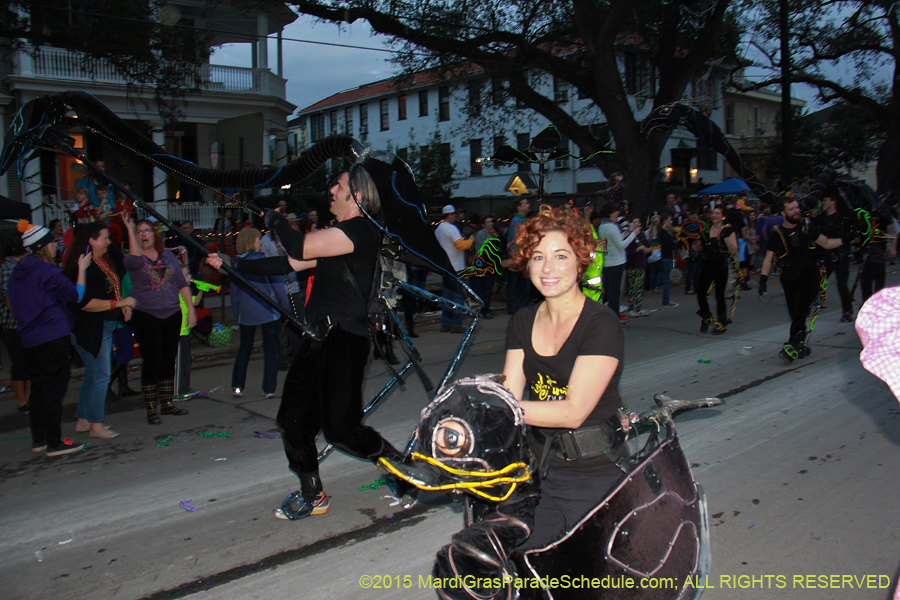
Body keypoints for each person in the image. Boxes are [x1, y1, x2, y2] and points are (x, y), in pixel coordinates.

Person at [207, 167, 404, 520]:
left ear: (356, 196)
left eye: (339, 185)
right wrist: (232, 264)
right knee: (292, 420)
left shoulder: (361, 230)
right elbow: (288, 261)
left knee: (342, 431)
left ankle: (402, 468)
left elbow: (297, 245)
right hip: (316, 338)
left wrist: (276, 220)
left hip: (346, 338)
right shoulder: (335, 236)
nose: (331, 189)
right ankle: (313, 494)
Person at [501, 205, 625, 550]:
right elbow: (509, 392)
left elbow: (573, 411)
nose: (548, 268)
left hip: (594, 473)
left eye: (560, 255)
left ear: (580, 260)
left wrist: (489, 408)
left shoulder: (601, 323)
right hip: (539, 468)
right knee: (510, 561)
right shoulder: (522, 321)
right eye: (538, 257)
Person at [8, 221, 90, 456]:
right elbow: (76, 295)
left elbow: (15, 305)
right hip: (52, 335)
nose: (56, 245)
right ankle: (54, 442)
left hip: (29, 337)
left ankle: (40, 439)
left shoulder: (17, 273)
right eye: (53, 242)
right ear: (43, 246)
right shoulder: (46, 271)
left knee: (39, 390)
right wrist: (82, 268)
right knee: (54, 390)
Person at [63, 222, 138, 440]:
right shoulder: (81, 266)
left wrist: (121, 305)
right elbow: (84, 303)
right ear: (91, 240)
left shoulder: (103, 259)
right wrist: (119, 303)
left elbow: (116, 284)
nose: (108, 242)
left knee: (93, 375)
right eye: (104, 238)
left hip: (104, 323)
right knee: (101, 376)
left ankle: (84, 419)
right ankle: (96, 424)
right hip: (89, 328)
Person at [123, 216, 196, 424]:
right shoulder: (134, 260)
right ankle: (151, 408)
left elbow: (181, 283)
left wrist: (190, 310)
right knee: (152, 361)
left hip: (172, 314)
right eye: (139, 232)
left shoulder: (167, 256)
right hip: (148, 316)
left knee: (168, 359)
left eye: (147, 231)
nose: (143, 234)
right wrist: (130, 229)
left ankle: (167, 403)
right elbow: (134, 261)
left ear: (155, 234)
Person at [759, 198, 846, 362]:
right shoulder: (776, 235)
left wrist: (846, 240)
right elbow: (768, 259)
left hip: (808, 275)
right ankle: (801, 343)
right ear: (783, 213)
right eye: (791, 209)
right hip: (788, 278)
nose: (796, 211)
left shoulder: (807, 227)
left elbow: (826, 243)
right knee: (795, 313)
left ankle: (792, 344)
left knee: (800, 309)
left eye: (797, 207)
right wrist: (762, 281)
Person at [230, 227, 289, 399]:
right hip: (267, 310)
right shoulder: (265, 261)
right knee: (269, 349)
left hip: (246, 312)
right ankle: (269, 388)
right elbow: (278, 288)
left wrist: (236, 312)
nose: (261, 242)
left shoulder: (237, 264)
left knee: (244, 348)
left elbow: (234, 292)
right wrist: (285, 310)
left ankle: (237, 385)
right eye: (258, 239)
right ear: (251, 241)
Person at [695, 205, 738, 334]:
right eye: (713, 213)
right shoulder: (706, 230)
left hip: (720, 264)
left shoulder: (728, 230)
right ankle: (707, 315)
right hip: (707, 263)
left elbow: (734, 249)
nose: (714, 215)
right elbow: (698, 247)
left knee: (719, 295)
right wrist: (692, 242)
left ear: (723, 216)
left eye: (717, 213)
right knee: (700, 292)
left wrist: (723, 236)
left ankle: (721, 321)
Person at [813, 189, 855, 322]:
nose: (822, 203)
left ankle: (848, 311)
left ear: (833, 201)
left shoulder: (843, 217)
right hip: (826, 255)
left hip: (841, 255)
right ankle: (809, 306)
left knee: (842, 285)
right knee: (817, 281)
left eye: (825, 200)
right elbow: (811, 226)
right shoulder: (821, 218)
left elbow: (848, 234)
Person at [0, 237, 31, 413]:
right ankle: (22, 401)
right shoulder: (7, 268)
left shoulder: (20, 267)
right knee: (19, 363)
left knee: (28, 362)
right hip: (13, 325)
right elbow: (8, 298)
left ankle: (28, 398)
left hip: (25, 322)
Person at [595, 202, 639, 321]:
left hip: (607, 262)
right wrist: (633, 234)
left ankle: (610, 314)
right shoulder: (612, 226)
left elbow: (604, 245)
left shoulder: (602, 226)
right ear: (610, 213)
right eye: (615, 211)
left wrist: (625, 234)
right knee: (615, 292)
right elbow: (621, 245)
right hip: (616, 262)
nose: (617, 213)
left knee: (610, 291)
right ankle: (614, 316)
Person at [435, 205, 473, 333]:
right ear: (450, 215)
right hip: (456, 267)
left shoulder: (439, 228)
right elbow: (461, 245)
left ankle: (446, 323)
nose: (456, 217)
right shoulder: (451, 228)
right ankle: (456, 324)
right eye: (454, 215)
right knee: (457, 296)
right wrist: (471, 240)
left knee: (447, 296)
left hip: (445, 267)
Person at [506, 197, 532, 315]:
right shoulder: (517, 221)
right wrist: (517, 256)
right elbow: (516, 240)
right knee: (519, 283)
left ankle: (517, 305)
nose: (528, 205)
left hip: (522, 255)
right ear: (519, 207)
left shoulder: (521, 220)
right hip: (520, 256)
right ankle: (516, 306)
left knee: (519, 283)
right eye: (525, 203)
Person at [624, 217, 651, 318]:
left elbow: (648, 246)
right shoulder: (629, 236)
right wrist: (640, 248)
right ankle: (631, 308)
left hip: (641, 263)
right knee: (632, 287)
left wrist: (646, 249)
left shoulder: (641, 235)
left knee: (639, 287)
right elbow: (628, 251)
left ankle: (639, 307)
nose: (636, 224)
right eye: (634, 222)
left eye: (638, 222)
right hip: (632, 265)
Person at [659, 213, 680, 307]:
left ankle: (666, 300)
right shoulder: (665, 233)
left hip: (667, 257)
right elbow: (673, 245)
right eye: (669, 220)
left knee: (667, 278)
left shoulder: (666, 232)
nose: (671, 222)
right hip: (667, 257)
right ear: (665, 221)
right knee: (667, 279)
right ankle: (666, 300)